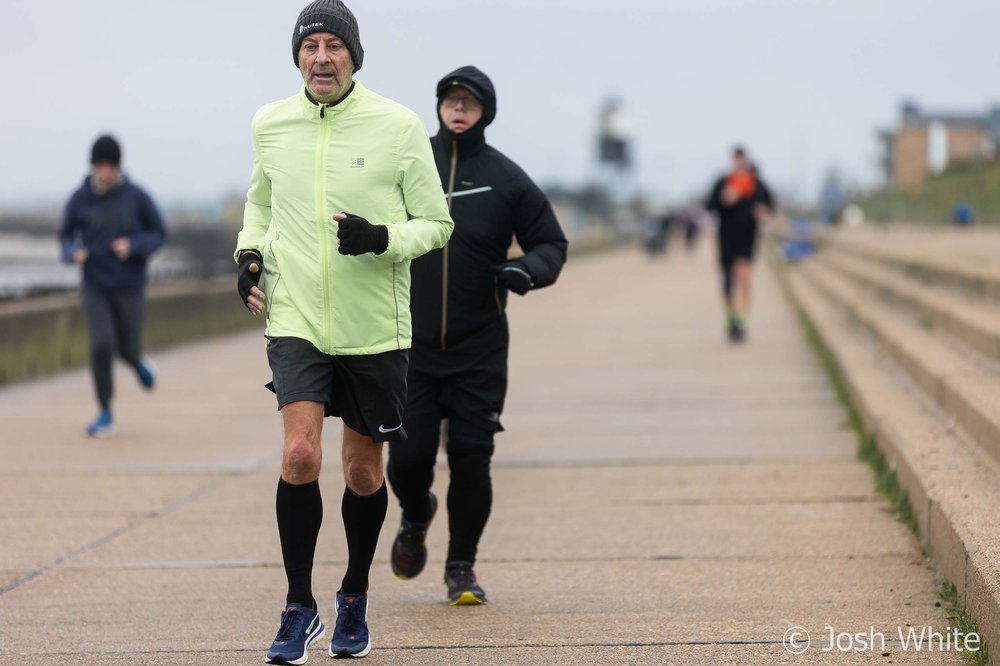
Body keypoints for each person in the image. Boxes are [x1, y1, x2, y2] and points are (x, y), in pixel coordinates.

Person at [235, 1, 453, 661]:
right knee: (299, 457)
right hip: (296, 317)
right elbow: (260, 202)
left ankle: (353, 594)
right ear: (297, 56)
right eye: (311, 46)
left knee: (361, 471)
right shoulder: (270, 124)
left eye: (334, 45)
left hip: (373, 329)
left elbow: (437, 223)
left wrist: (382, 237)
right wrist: (247, 255)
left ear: (354, 55)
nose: (322, 58)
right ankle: (297, 606)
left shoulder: (398, 126)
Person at [386, 66, 567, 606]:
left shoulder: (508, 179)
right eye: (450, 100)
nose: (458, 109)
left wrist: (526, 270)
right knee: (408, 460)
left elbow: (551, 244)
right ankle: (416, 515)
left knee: (472, 456)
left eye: (469, 101)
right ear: (439, 107)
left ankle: (461, 568)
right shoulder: (409, 164)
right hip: (410, 347)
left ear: (485, 110)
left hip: (479, 345)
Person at [58, 134, 166, 437]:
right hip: (95, 284)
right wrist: (72, 253)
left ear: (118, 167)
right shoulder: (80, 198)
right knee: (101, 344)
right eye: (99, 166)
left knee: (127, 348)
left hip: (130, 284)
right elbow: (65, 236)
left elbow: (159, 233)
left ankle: (138, 362)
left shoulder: (136, 197)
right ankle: (105, 411)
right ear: (93, 167)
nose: (104, 173)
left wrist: (133, 244)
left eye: (110, 166)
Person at [705, 147, 774, 342]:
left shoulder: (757, 184)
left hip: (747, 236)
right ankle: (731, 317)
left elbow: (770, 207)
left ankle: (743, 321)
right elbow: (709, 206)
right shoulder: (722, 183)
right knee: (727, 282)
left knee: (744, 275)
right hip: (726, 237)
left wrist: (763, 213)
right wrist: (724, 199)